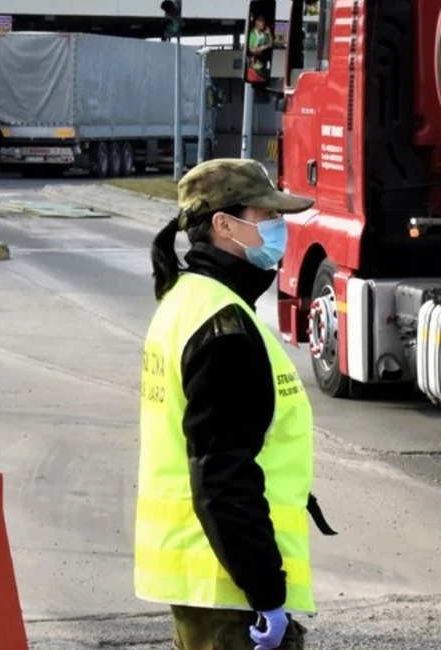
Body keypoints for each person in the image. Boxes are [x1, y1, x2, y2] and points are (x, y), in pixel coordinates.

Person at [135, 159, 337, 650]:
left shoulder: (187, 300)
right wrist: (267, 592)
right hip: (232, 594)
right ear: (225, 225)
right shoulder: (223, 327)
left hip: (203, 579)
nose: (278, 227)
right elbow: (224, 476)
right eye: (265, 214)